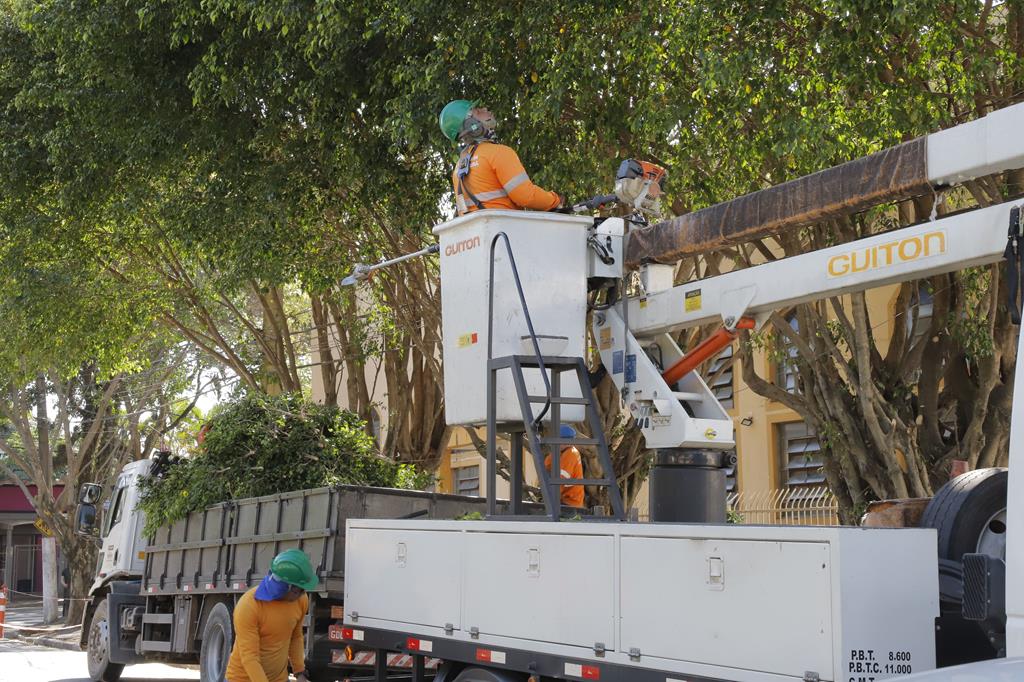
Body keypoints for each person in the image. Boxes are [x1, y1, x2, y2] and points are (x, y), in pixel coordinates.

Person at [438, 99, 563, 215]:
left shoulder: (458, 168)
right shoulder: (498, 153)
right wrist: (555, 201)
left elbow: (462, 210)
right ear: (471, 124)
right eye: (477, 111)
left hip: (480, 236)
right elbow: (525, 195)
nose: (485, 109)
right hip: (506, 232)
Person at [225, 549, 318, 682]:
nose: (303, 594)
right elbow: (250, 658)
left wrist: (299, 672)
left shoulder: (300, 601)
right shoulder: (249, 606)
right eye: (300, 589)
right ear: (287, 587)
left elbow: (295, 637)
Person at [544, 424, 585, 509]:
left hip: (570, 503)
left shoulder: (571, 454)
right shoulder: (561, 452)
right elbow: (545, 467)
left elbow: (560, 480)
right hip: (565, 500)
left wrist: (550, 499)